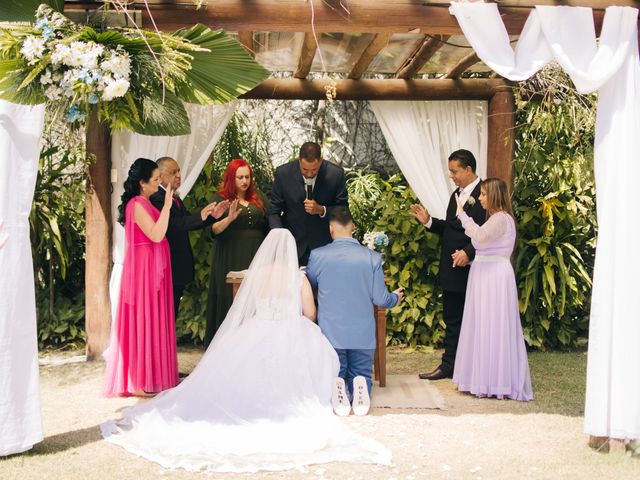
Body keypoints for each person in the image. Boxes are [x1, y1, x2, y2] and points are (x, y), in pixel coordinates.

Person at [101, 229, 391, 472]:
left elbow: (246, 307)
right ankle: (347, 389)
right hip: (291, 329)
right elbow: (311, 314)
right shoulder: (298, 278)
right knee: (321, 353)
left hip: (258, 328)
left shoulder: (257, 275)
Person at [306, 206, 403, 416]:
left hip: (331, 334)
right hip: (362, 334)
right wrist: (396, 297)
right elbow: (381, 299)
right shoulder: (372, 258)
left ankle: (338, 387)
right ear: (354, 228)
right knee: (361, 371)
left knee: (336, 369)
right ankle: (361, 387)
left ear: (331, 229)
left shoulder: (317, 256)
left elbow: (310, 286)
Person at [452, 178, 533, 401]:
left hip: (494, 278)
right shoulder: (497, 220)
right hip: (485, 275)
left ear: (495, 195)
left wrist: (462, 214)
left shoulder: (500, 219)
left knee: (493, 324)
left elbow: (479, 236)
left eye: (484, 194)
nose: (480, 198)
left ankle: (495, 380)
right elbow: (485, 247)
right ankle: (483, 377)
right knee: (482, 325)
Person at [103, 158, 178, 397]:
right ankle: (140, 380)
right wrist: (166, 207)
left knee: (152, 320)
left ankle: (151, 376)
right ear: (143, 183)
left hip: (151, 269)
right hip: (143, 271)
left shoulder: (143, 202)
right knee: (144, 321)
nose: (159, 183)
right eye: (155, 179)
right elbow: (156, 235)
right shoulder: (136, 204)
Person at [410, 149, 486, 381]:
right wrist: (429, 221)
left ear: (468, 169)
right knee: (452, 318)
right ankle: (449, 366)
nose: (451, 175)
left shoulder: (486, 194)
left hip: (474, 268)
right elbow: (452, 228)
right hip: (452, 269)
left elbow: (488, 231)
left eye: (454, 171)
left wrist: (469, 253)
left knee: (474, 320)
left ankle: (474, 367)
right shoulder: (456, 194)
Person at [150, 157, 229, 319]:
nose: (179, 175)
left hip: (177, 266)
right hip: (165, 265)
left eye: (179, 171)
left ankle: (169, 344)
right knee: (163, 315)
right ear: (161, 176)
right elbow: (173, 225)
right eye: (173, 172)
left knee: (171, 313)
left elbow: (187, 222)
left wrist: (212, 216)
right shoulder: (156, 198)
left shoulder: (174, 197)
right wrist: (200, 216)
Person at [204, 159, 268, 348]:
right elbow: (212, 230)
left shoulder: (259, 197)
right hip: (229, 255)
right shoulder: (220, 199)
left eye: (247, 177)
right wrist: (229, 219)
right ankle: (226, 347)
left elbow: (269, 222)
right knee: (230, 297)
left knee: (254, 298)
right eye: (240, 177)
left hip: (255, 255)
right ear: (232, 178)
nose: (244, 181)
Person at [268, 141, 348, 265]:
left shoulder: (335, 174)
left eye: (314, 170)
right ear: (299, 160)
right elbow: (274, 210)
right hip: (292, 247)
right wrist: (280, 237)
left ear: (321, 161)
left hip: (324, 247)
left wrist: (322, 210)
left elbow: (343, 211)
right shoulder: (283, 173)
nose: (309, 174)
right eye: (305, 170)